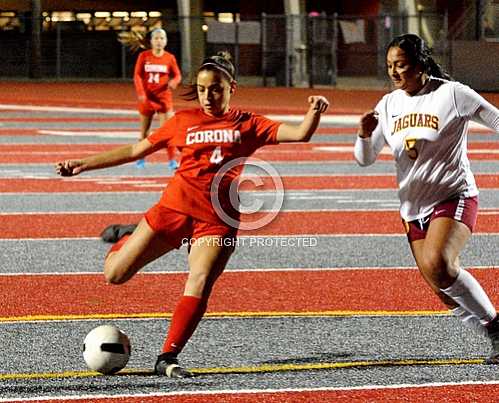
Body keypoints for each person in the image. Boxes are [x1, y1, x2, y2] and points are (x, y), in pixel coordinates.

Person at [56, 52, 329, 377]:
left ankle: (167, 357)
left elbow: (300, 133)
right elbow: (135, 150)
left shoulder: (248, 123)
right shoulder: (183, 120)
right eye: (201, 90)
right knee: (114, 275)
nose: (208, 96)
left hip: (217, 219)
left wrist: (313, 112)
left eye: (215, 89)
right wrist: (82, 164)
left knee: (199, 281)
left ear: (232, 88)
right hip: (173, 209)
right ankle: (131, 235)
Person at [354, 33, 499, 362]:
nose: (394, 73)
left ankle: (498, 328)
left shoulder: (452, 94)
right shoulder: (389, 103)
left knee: (438, 263)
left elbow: (496, 119)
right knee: (439, 283)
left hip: (453, 194)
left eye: (401, 65)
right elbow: (364, 157)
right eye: (389, 65)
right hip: (411, 207)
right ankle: (493, 333)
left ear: (420, 63)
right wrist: (364, 135)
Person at [131, 28, 181, 169]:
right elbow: (137, 76)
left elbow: (177, 75)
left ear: (165, 41)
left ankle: (172, 160)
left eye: (162, 38)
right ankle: (141, 158)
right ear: (151, 41)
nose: (159, 41)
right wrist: (141, 94)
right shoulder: (144, 56)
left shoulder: (169, 58)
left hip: (164, 99)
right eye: (156, 38)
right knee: (145, 132)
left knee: (167, 131)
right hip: (147, 99)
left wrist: (173, 82)